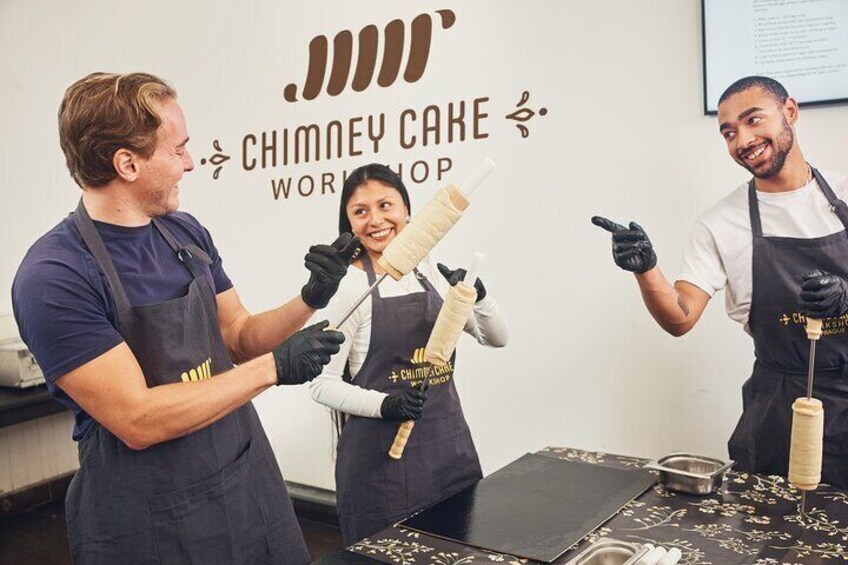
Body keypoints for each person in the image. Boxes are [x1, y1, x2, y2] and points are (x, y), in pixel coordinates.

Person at [11, 72, 357, 564]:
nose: (190, 163)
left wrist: (310, 298)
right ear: (127, 163)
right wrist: (274, 368)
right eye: (178, 150)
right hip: (149, 516)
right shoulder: (55, 276)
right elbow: (137, 418)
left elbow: (239, 336)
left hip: (243, 481)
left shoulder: (185, 233)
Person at [592, 76, 848, 488]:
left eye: (753, 120)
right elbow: (680, 318)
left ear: (790, 111)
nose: (742, 140)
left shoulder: (844, 193)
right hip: (778, 407)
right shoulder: (721, 223)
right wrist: (646, 269)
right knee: (773, 523)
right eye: (728, 132)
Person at [307, 163, 509, 544]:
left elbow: (496, 338)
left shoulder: (429, 273)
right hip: (383, 472)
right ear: (348, 222)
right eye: (360, 211)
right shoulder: (349, 287)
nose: (375, 220)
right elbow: (320, 383)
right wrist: (387, 405)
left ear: (407, 212)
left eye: (386, 205)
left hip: (451, 456)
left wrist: (480, 298)